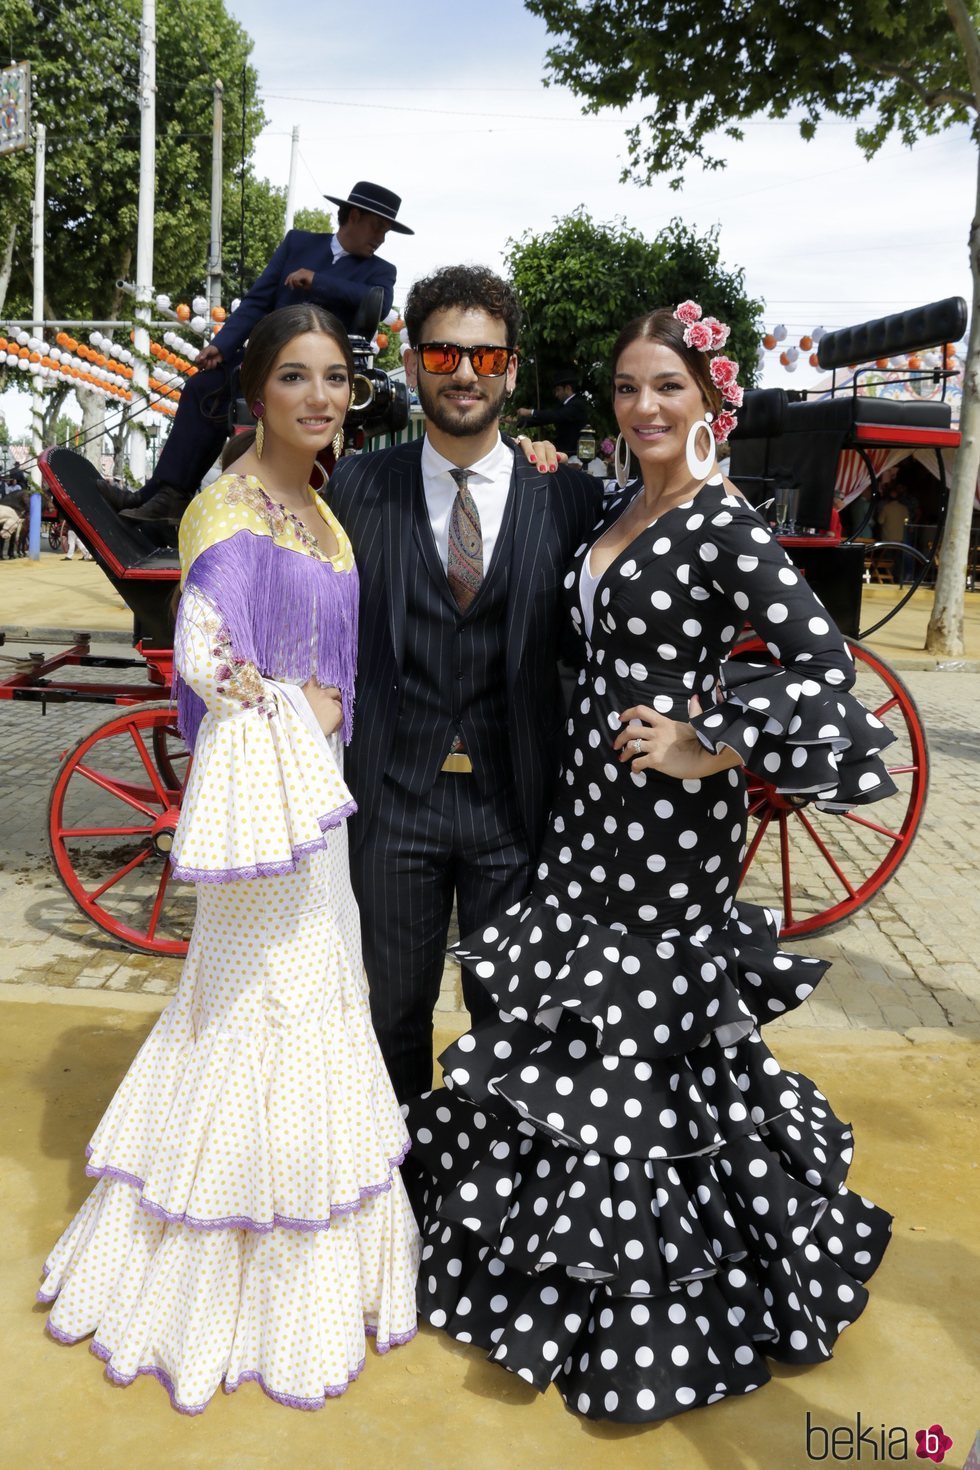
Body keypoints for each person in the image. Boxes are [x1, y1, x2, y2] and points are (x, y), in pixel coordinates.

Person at [402, 303, 896, 1424]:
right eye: (627, 389)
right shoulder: (624, 502)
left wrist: (706, 744)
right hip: (584, 813)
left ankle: (642, 1315)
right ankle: (550, 1274)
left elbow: (823, 664)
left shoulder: (718, 521)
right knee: (577, 1034)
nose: (643, 408)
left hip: (670, 829)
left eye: (665, 388)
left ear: (708, 399)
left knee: (641, 1053)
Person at [38, 304, 420, 1414]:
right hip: (270, 811)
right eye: (294, 376)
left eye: (336, 378)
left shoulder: (319, 507)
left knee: (313, 1006)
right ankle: (220, 1279)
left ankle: (307, 1264)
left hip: (317, 804)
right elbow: (204, 658)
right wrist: (289, 705)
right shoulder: (229, 507)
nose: (318, 396)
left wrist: (318, 716)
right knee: (257, 1008)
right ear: (255, 391)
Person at [326, 266, 604, 1103]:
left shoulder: (570, 495)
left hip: (516, 804)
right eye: (444, 353)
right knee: (392, 1015)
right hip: (390, 798)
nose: (464, 374)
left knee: (511, 1018)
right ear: (412, 365)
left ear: (512, 370)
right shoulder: (356, 487)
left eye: (486, 359)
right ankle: (399, 1198)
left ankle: (491, 1205)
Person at [111, 181, 413, 526]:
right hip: (267, 360)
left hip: (320, 375)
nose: (381, 238)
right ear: (354, 216)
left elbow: (379, 301)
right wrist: (221, 347)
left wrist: (316, 280)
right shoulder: (298, 244)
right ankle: (165, 496)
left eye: (387, 231)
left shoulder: (381, 271)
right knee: (203, 389)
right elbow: (257, 301)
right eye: (378, 226)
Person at [516, 368, 590, 457]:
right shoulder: (563, 406)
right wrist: (518, 422)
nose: (556, 394)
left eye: (558, 390)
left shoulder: (577, 404)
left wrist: (530, 412)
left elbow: (555, 416)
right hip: (564, 453)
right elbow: (544, 419)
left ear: (568, 388)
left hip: (575, 455)